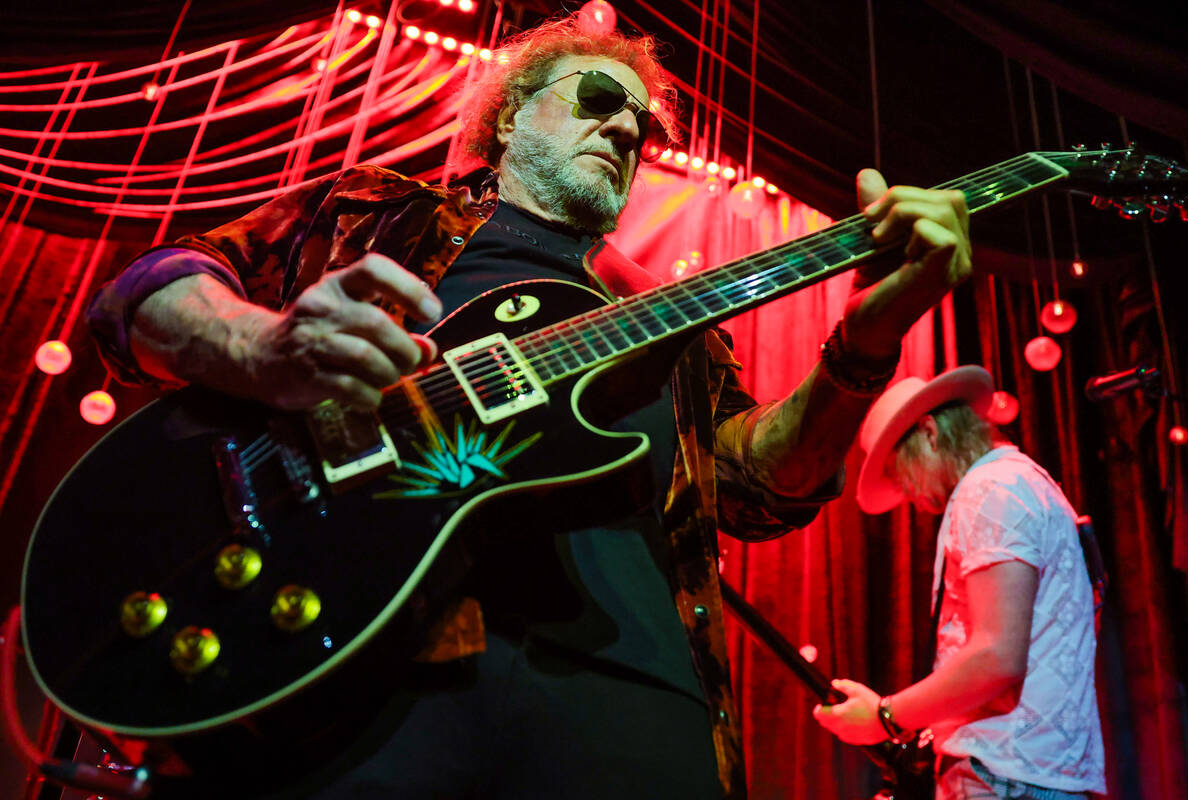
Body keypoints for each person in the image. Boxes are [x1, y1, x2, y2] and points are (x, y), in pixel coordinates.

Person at [86, 14, 971, 800]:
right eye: (596, 96)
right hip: (354, 660)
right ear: (511, 117)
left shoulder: (679, 327)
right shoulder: (376, 213)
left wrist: (862, 347)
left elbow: (762, 485)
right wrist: (258, 348)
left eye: (642, 125)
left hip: (625, 681)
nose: (624, 128)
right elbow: (146, 293)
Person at [812, 366, 1106, 799]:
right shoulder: (1027, 482)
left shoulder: (989, 488)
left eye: (901, 472)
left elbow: (997, 657)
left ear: (930, 434)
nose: (908, 495)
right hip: (1037, 772)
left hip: (1005, 775)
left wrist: (884, 716)